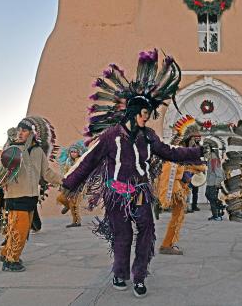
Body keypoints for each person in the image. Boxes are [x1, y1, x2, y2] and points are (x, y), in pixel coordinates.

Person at [62, 49, 209, 298]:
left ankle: (139, 276)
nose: (147, 118)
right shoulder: (110, 137)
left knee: (147, 233)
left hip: (141, 192)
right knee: (123, 235)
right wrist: (68, 184)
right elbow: (87, 161)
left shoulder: (149, 136)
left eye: (149, 115)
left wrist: (196, 152)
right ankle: (120, 272)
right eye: (145, 114)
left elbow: (169, 152)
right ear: (133, 113)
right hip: (117, 195)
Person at [0, 117, 64, 272]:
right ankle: (11, 261)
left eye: (24, 130)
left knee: (18, 229)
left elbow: (46, 173)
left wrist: (63, 181)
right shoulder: (12, 149)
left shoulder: (38, 151)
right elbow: (1, 174)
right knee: (19, 229)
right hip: (15, 196)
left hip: (31, 197)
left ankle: (5, 253)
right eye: (18, 130)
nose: (20, 133)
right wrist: (6, 165)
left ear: (32, 133)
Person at [156, 116, 207, 255]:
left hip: (180, 187)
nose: (197, 143)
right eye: (195, 139)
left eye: (198, 140)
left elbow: (194, 165)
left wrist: (195, 169)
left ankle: (168, 244)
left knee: (179, 215)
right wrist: (184, 173)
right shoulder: (177, 148)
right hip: (173, 187)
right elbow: (170, 166)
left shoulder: (188, 149)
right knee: (177, 215)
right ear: (189, 138)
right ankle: (166, 245)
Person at [56, 142, 87, 228]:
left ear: (78, 153)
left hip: (78, 185)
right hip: (69, 185)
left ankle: (76, 221)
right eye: (71, 151)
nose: (73, 153)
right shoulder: (68, 161)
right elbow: (66, 172)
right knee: (60, 198)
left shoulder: (81, 161)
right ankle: (68, 206)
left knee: (73, 203)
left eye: (75, 152)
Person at [206, 148, 225, 221]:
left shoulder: (214, 160)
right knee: (208, 195)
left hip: (213, 183)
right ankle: (220, 206)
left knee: (212, 198)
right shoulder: (210, 160)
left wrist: (217, 184)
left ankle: (216, 215)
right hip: (210, 182)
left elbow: (219, 175)